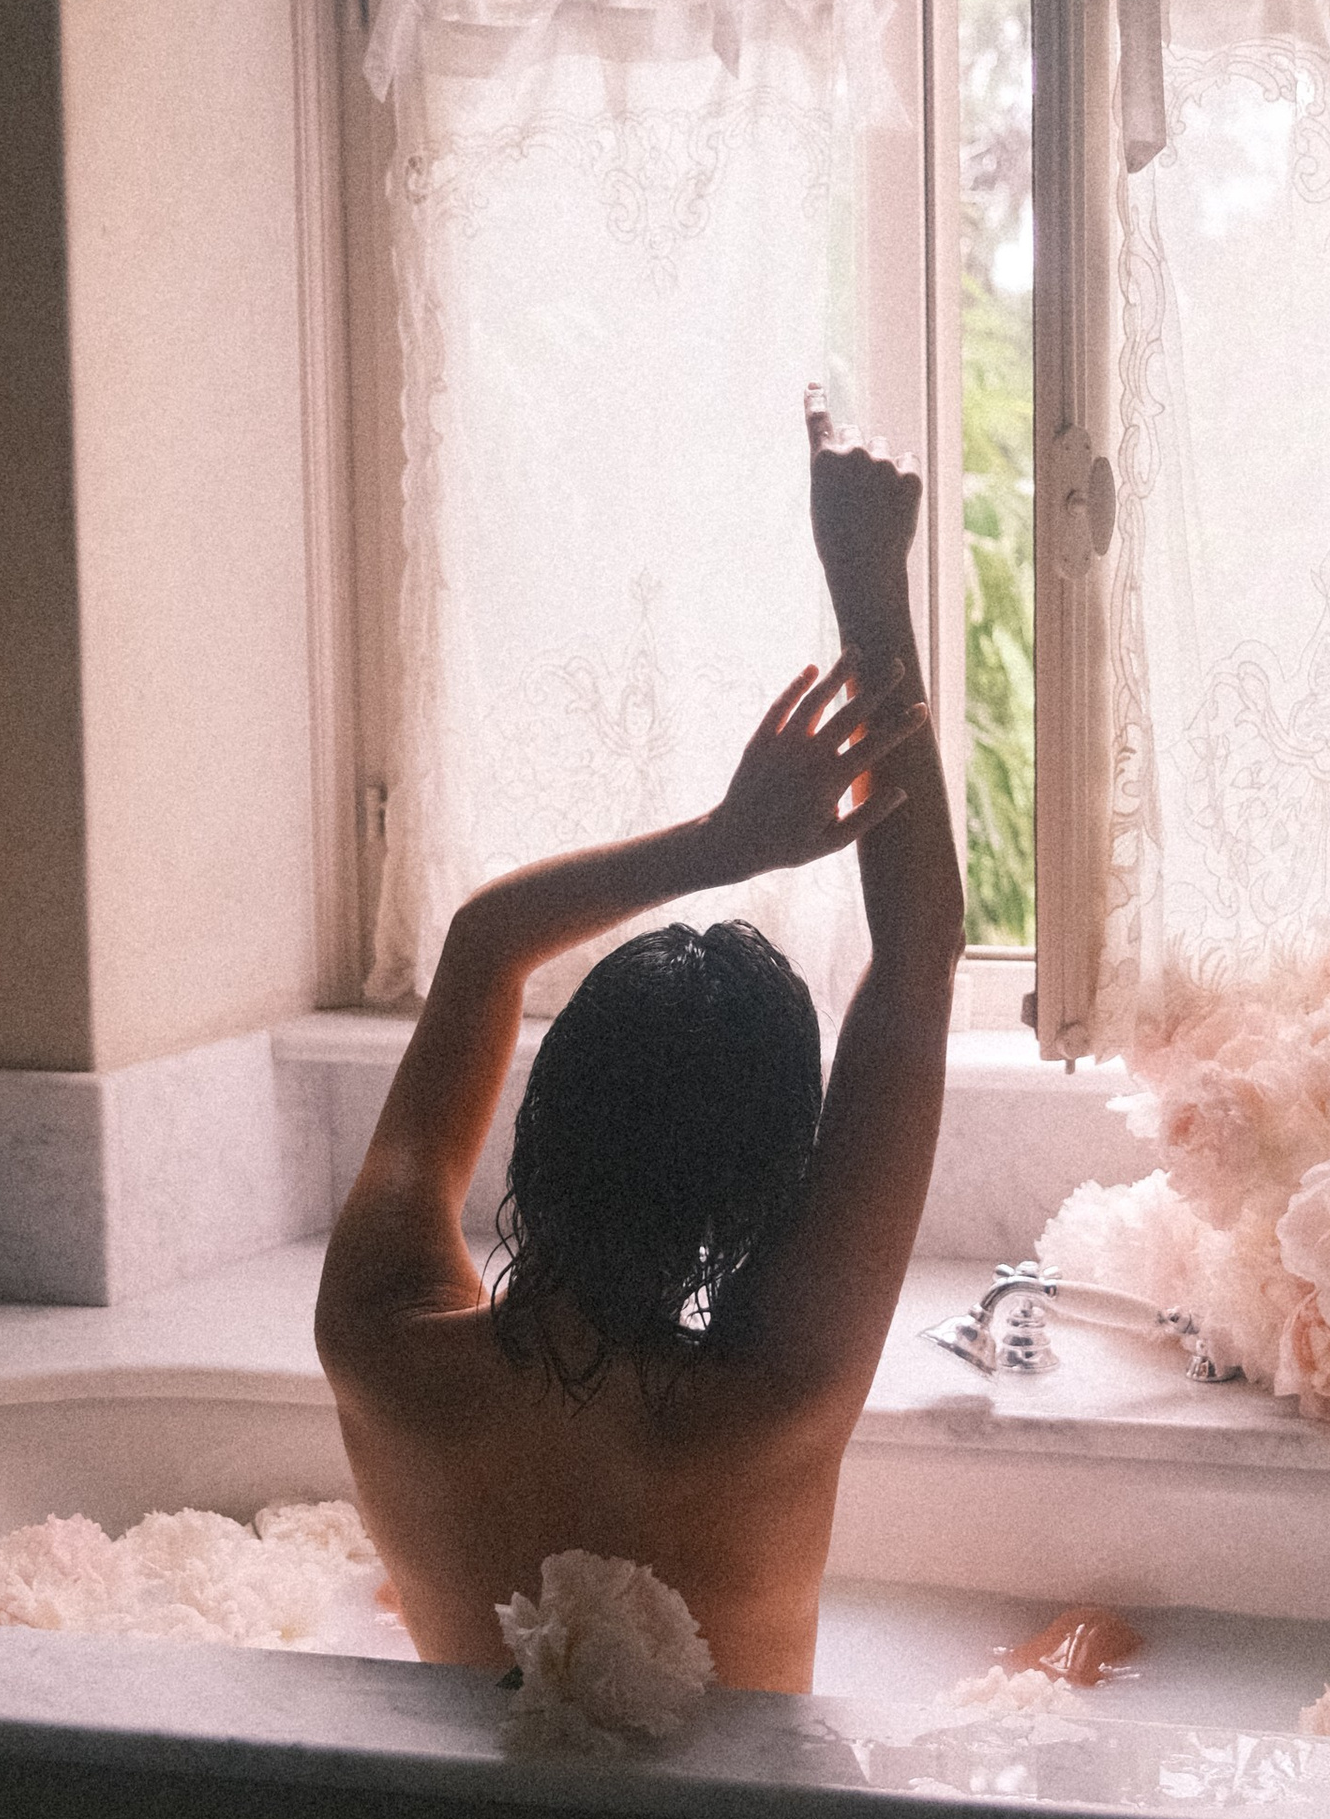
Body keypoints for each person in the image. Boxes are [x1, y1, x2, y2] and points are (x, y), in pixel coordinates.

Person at [315, 401, 967, 1692]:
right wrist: (868, 582)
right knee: (1087, 1648)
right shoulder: (770, 1410)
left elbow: (483, 946)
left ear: (543, 1115)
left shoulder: (376, 1338)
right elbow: (919, 962)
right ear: (760, 1195)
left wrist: (729, 839)